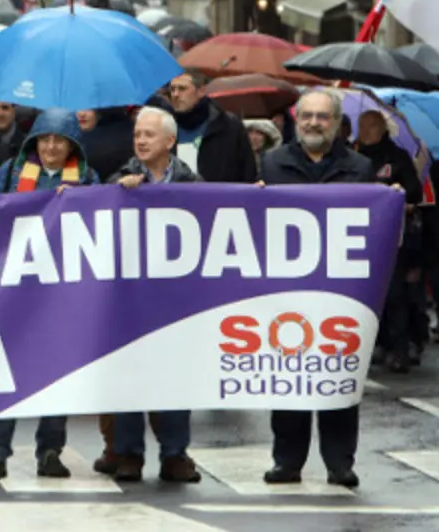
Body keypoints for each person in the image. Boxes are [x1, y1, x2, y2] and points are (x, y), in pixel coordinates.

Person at [258, 89, 376, 489]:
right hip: (287, 291)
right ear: (295, 118)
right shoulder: (271, 164)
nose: (312, 123)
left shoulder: (360, 167)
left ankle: (340, 463)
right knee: (289, 374)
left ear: (337, 123)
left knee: (338, 376)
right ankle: (287, 461)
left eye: (321, 117)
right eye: (306, 115)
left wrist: (390, 200)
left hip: (341, 292)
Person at [0, 108, 100, 481]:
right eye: (44, 140)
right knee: (7, 371)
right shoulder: (12, 173)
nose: (50, 147)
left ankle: (50, 450)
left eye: (59, 140)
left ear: (71, 145)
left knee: (55, 372)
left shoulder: (86, 178)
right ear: (34, 143)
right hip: (16, 289)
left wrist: (82, 200)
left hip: (61, 293)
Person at [101, 107, 201, 484]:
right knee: (130, 377)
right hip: (128, 300)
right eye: (137, 134)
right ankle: (128, 454)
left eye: (149, 134)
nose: (140, 140)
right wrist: (118, 191)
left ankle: (175, 455)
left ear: (170, 142)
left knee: (173, 380)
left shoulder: (192, 183)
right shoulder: (121, 177)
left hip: (175, 301)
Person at [354, 109, 423, 373]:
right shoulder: (352, 156)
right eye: (363, 126)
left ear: (382, 129)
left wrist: (397, 196)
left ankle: (400, 348)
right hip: (358, 237)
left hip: (390, 238)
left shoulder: (396, 157)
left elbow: (414, 192)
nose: (366, 131)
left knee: (394, 295)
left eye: (372, 126)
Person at [166, 70, 255, 182]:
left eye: (182, 89)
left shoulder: (228, 126)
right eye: (172, 90)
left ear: (201, 91)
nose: (175, 95)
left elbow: (247, 173)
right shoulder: (164, 127)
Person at [76, 108, 135, 183]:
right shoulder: (66, 139)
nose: (81, 114)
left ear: (99, 111)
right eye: (78, 107)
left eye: (89, 109)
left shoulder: (120, 138)